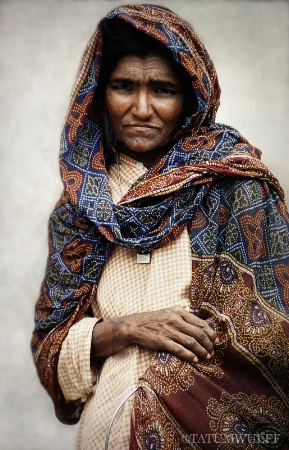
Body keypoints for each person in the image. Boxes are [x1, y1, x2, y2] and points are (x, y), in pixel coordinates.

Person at [31, 4, 289, 449]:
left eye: (163, 89)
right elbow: (49, 347)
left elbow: (274, 345)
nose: (142, 108)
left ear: (190, 99)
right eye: (123, 86)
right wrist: (125, 330)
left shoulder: (234, 187)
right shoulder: (81, 211)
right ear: (98, 93)